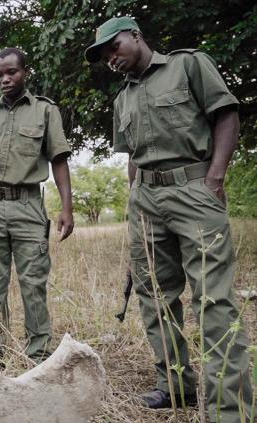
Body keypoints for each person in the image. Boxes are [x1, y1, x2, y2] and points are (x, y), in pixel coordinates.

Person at [85, 16, 253, 421]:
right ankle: (176, 386)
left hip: (194, 189)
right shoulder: (121, 99)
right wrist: (132, 204)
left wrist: (214, 181)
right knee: (156, 298)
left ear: (136, 35)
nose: (111, 58)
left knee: (213, 298)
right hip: (145, 199)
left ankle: (228, 409)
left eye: (115, 46)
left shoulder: (188, 65)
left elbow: (226, 115)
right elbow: (131, 158)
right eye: (104, 55)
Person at [0, 48, 74, 368]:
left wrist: (67, 209)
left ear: (25, 72)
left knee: (33, 285)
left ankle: (38, 358)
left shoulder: (44, 111)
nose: (5, 79)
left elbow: (59, 160)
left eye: (11, 72)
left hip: (28, 208)